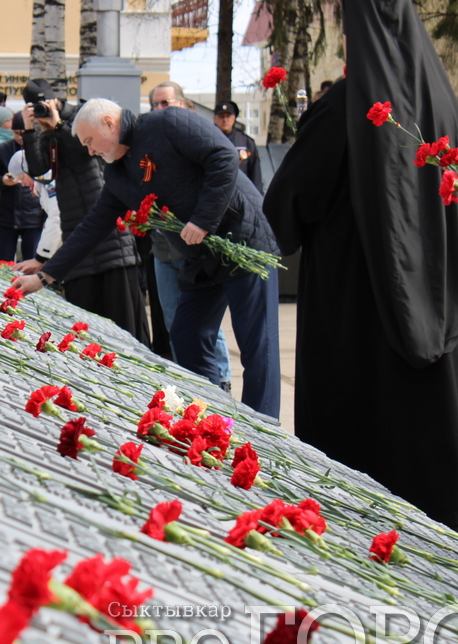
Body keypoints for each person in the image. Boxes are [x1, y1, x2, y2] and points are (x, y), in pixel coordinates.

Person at [263, 0, 458, 531]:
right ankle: (436, 499)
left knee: (357, 407)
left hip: (354, 289)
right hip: (428, 279)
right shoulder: (436, 99)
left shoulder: (346, 109)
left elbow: (292, 201)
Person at [16, 97, 280, 417]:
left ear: (110, 124)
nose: (90, 151)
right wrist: (45, 276)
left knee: (256, 346)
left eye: (89, 141)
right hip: (201, 258)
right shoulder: (118, 175)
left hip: (241, 241)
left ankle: (263, 426)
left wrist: (203, 220)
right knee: (186, 333)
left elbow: (222, 157)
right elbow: (92, 228)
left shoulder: (167, 123)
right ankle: (211, 415)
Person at [17, 81, 150, 347]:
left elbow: (91, 152)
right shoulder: (45, 133)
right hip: (77, 240)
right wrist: (31, 132)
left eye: (46, 105)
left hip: (111, 238)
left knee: (125, 327)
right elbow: (39, 172)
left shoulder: (82, 118)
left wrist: (58, 125)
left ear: (57, 101)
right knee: (86, 330)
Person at [148, 83, 232, 389]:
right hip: (163, 248)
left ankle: (220, 380)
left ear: (184, 105)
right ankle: (193, 380)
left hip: (194, 248)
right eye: (155, 104)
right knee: (175, 322)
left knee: (205, 324)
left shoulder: (196, 139)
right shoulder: (150, 146)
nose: (160, 110)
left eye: (166, 102)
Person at [0, 113, 45, 262]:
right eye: (16, 133)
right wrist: (3, 181)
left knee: (32, 261)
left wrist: (45, 216)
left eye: (23, 133)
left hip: (33, 215)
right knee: (4, 262)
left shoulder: (38, 147)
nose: (20, 137)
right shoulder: (3, 148)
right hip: (8, 214)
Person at [213, 101, 262, 190]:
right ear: (214, 118)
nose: (225, 120)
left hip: (241, 192)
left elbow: (256, 175)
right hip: (216, 192)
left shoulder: (246, 142)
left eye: (228, 116)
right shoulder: (209, 141)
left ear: (234, 117)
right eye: (221, 116)